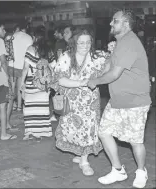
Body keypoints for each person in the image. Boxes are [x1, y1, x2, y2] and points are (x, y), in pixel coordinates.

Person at [87, 10, 151, 188]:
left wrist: (95, 81)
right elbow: (110, 67)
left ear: (126, 24)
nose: (110, 24)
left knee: (135, 140)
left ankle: (141, 171)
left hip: (135, 101)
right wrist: (108, 57)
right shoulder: (120, 43)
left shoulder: (129, 42)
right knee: (104, 132)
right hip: (117, 100)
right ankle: (118, 170)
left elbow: (114, 74)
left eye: (115, 21)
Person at [53, 29, 109, 176]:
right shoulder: (66, 57)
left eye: (88, 42)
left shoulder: (97, 57)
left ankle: (84, 161)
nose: (85, 45)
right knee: (74, 129)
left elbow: (113, 63)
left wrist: (113, 49)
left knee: (88, 129)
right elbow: (60, 79)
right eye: (82, 42)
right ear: (75, 43)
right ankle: (80, 154)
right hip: (72, 101)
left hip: (91, 102)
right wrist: (82, 82)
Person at [20, 28, 56, 142]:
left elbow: (25, 68)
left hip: (32, 82)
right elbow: (54, 67)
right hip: (44, 84)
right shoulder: (49, 50)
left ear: (35, 37)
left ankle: (30, 131)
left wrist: (22, 83)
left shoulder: (30, 49)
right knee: (42, 109)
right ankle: (41, 132)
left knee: (30, 108)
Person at [8, 23, 33, 114]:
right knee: (20, 87)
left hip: (12, 65)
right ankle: (19, 106)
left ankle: (10, 106)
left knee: (12, 87)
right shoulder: (29, 37)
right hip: (23, 65)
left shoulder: (12, 36)